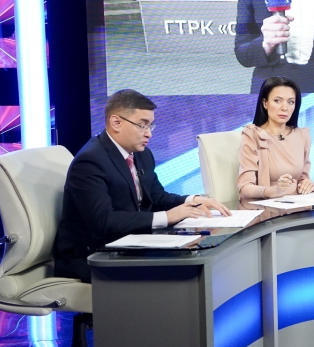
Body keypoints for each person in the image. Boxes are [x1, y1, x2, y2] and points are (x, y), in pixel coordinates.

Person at [54, 89, 230, 282]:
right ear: (116, 123)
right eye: (142, 125)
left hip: (129, 244)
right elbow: (103, 220)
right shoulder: (90, 161)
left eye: (150, 125)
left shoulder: (142, 154)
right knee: (176, 273)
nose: (149, 134)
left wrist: (193, 200)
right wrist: (166, 217)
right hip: (90, 257)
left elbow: (156, 196)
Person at [238, 76, 314, 207]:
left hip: (299, 208)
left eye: (291, 102)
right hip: (267, 210)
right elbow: (245, 188)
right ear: (265, 103)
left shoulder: (302, 135)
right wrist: (275, 191)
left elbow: (303, 179)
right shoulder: (252, 135)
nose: (284, 108)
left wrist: (307, 185)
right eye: (277, 101)